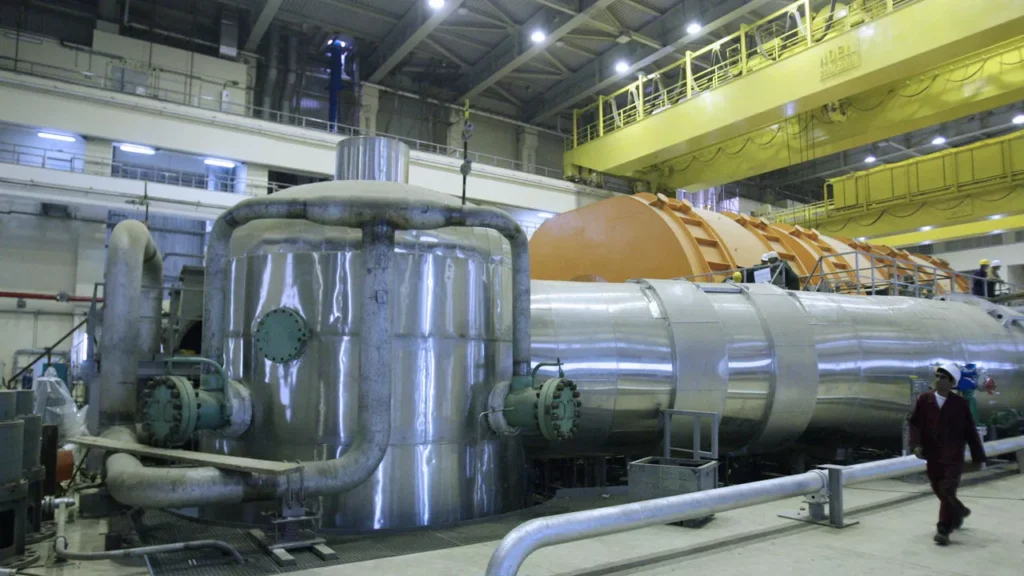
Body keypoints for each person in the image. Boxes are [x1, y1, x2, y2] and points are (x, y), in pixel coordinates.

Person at [908, 363, 986, 545]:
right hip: (932, 455)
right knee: (938, 489)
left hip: (953, 456)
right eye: (937, 376)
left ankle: (943, 530)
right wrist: (915, 445)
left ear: (952, 382)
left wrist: (978, 457)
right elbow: (915, 424)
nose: (938, 380)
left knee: (946, 489)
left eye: (943, 378)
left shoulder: (960, 404)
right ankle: (959, 510)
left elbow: (970, 432)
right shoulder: (924, 400)